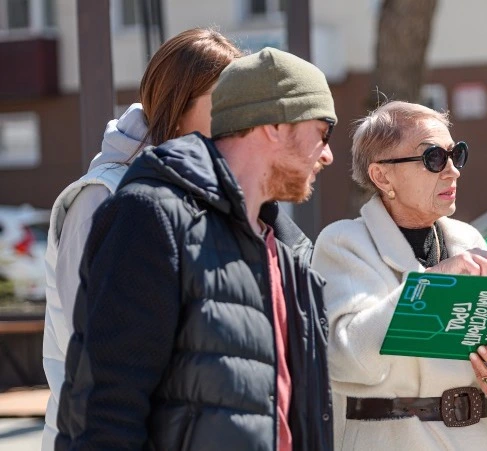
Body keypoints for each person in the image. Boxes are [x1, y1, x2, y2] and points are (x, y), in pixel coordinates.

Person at [55, 47, 337, 450]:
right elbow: (106, 406)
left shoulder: (286, 251)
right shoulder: (151, 216)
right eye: (322, 133)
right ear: (274, 125)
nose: (327, 154)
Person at [41, 28, 241, 451]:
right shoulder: (103, 194)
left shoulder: (214, 194)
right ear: (177, 101)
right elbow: (93, 342)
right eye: (223, 102)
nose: (237, 118)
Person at [311, 101, 487, 450]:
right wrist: (433, 283)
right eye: (433, 158)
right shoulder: (343, 243)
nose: (452, 171)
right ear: (382, 176)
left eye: (456, 154)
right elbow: (347, 360)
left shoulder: (469, 241)